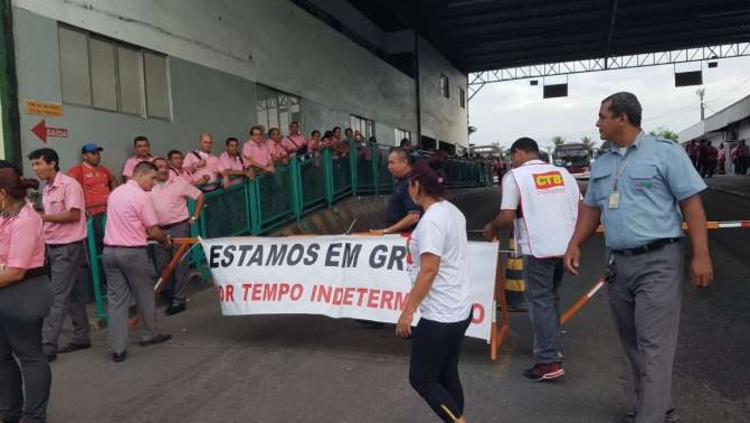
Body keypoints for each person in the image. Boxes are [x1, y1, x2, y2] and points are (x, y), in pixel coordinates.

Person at [564, 92, 712, 423]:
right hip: (618, 264)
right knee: (632, 343)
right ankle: (660, 406)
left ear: (623, 118)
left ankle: (651, 415)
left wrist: (701, 255)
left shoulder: (665, 153)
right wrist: (575, 242)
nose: (597, 122)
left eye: (602, 115)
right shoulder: (602, 162)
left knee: (653, 345)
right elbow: (592, 208)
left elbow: (692, 205)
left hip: (658, 262)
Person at [482, 137, 580, 381]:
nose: (510, 161)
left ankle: (548, 362)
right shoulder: (563, 173)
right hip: (566, 247)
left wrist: (490, 226)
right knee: (551, 297)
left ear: (518, 153)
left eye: (511, 156)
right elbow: (580, 207)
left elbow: (506, 216)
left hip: (537, 248)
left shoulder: (515, 176)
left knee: (540, 302)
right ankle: (552, 346)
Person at [396, 157, 471, 423]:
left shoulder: (432, 221)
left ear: (417, 185)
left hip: (441, 315)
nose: (407, 190)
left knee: (421, 379)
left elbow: (429, 270)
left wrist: (407, 312)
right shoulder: (451, 210)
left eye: (409, 185)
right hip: (459, 309)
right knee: (447, 373)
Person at [0, 161, 54, 423]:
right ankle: (9, 411)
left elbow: (15, 271)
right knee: (2, 357)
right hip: (4, 293)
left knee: (29, 355)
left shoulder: (26, 219)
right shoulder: (4, 216)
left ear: (2, 193)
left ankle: (33, 417)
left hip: (25, 293)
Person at [103, 161, 173, 362]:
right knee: (144, 295)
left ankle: (117, 348)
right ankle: (148, 334)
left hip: (110, 252)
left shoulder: (116, 193)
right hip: (132, 253)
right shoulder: (142, 197)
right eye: (152, 178)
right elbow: (153, 230)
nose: (154, 183)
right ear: (140, 175)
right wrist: (165, 241)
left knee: (117, 302)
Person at [28, 148, 91, 362]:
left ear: (52, 163)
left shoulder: (69, 185)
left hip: (68, 247)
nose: (35, 168)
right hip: (54, 246)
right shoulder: (47, 188)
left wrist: (43, 218)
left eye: (38, 163)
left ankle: (47, 346)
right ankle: (82, 336)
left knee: (56, 297)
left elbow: (74, 214)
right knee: (73, 295)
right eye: (33, 164)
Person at [151, 158, 205, 316]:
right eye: (159, 167)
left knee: (181, 264)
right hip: (159, 231)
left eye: (165, 166)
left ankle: (179, 300)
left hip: (179, 227)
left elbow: (200, 196)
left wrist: (194, 217)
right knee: (162, 264)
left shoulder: (179, 183)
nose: (163, 169)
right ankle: (169, 294)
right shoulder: (149, 186)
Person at [374, 148, 422, 235]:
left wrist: (386, 231)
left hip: (405, 239)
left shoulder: (411, 183)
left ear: (404, 162)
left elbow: (414, 216)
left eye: (392, 163)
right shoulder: (401, 182)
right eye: (388, 163)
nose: (389, 167)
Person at [67, 143, 118, 217]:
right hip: (91, 212)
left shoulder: (103, 170)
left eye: (98, 153)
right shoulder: (78, 170)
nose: (97, 156)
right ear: (84, 156)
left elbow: (113, 179)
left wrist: (114, 196)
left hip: (109, 209)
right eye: (93, 153)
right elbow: (67, 186)